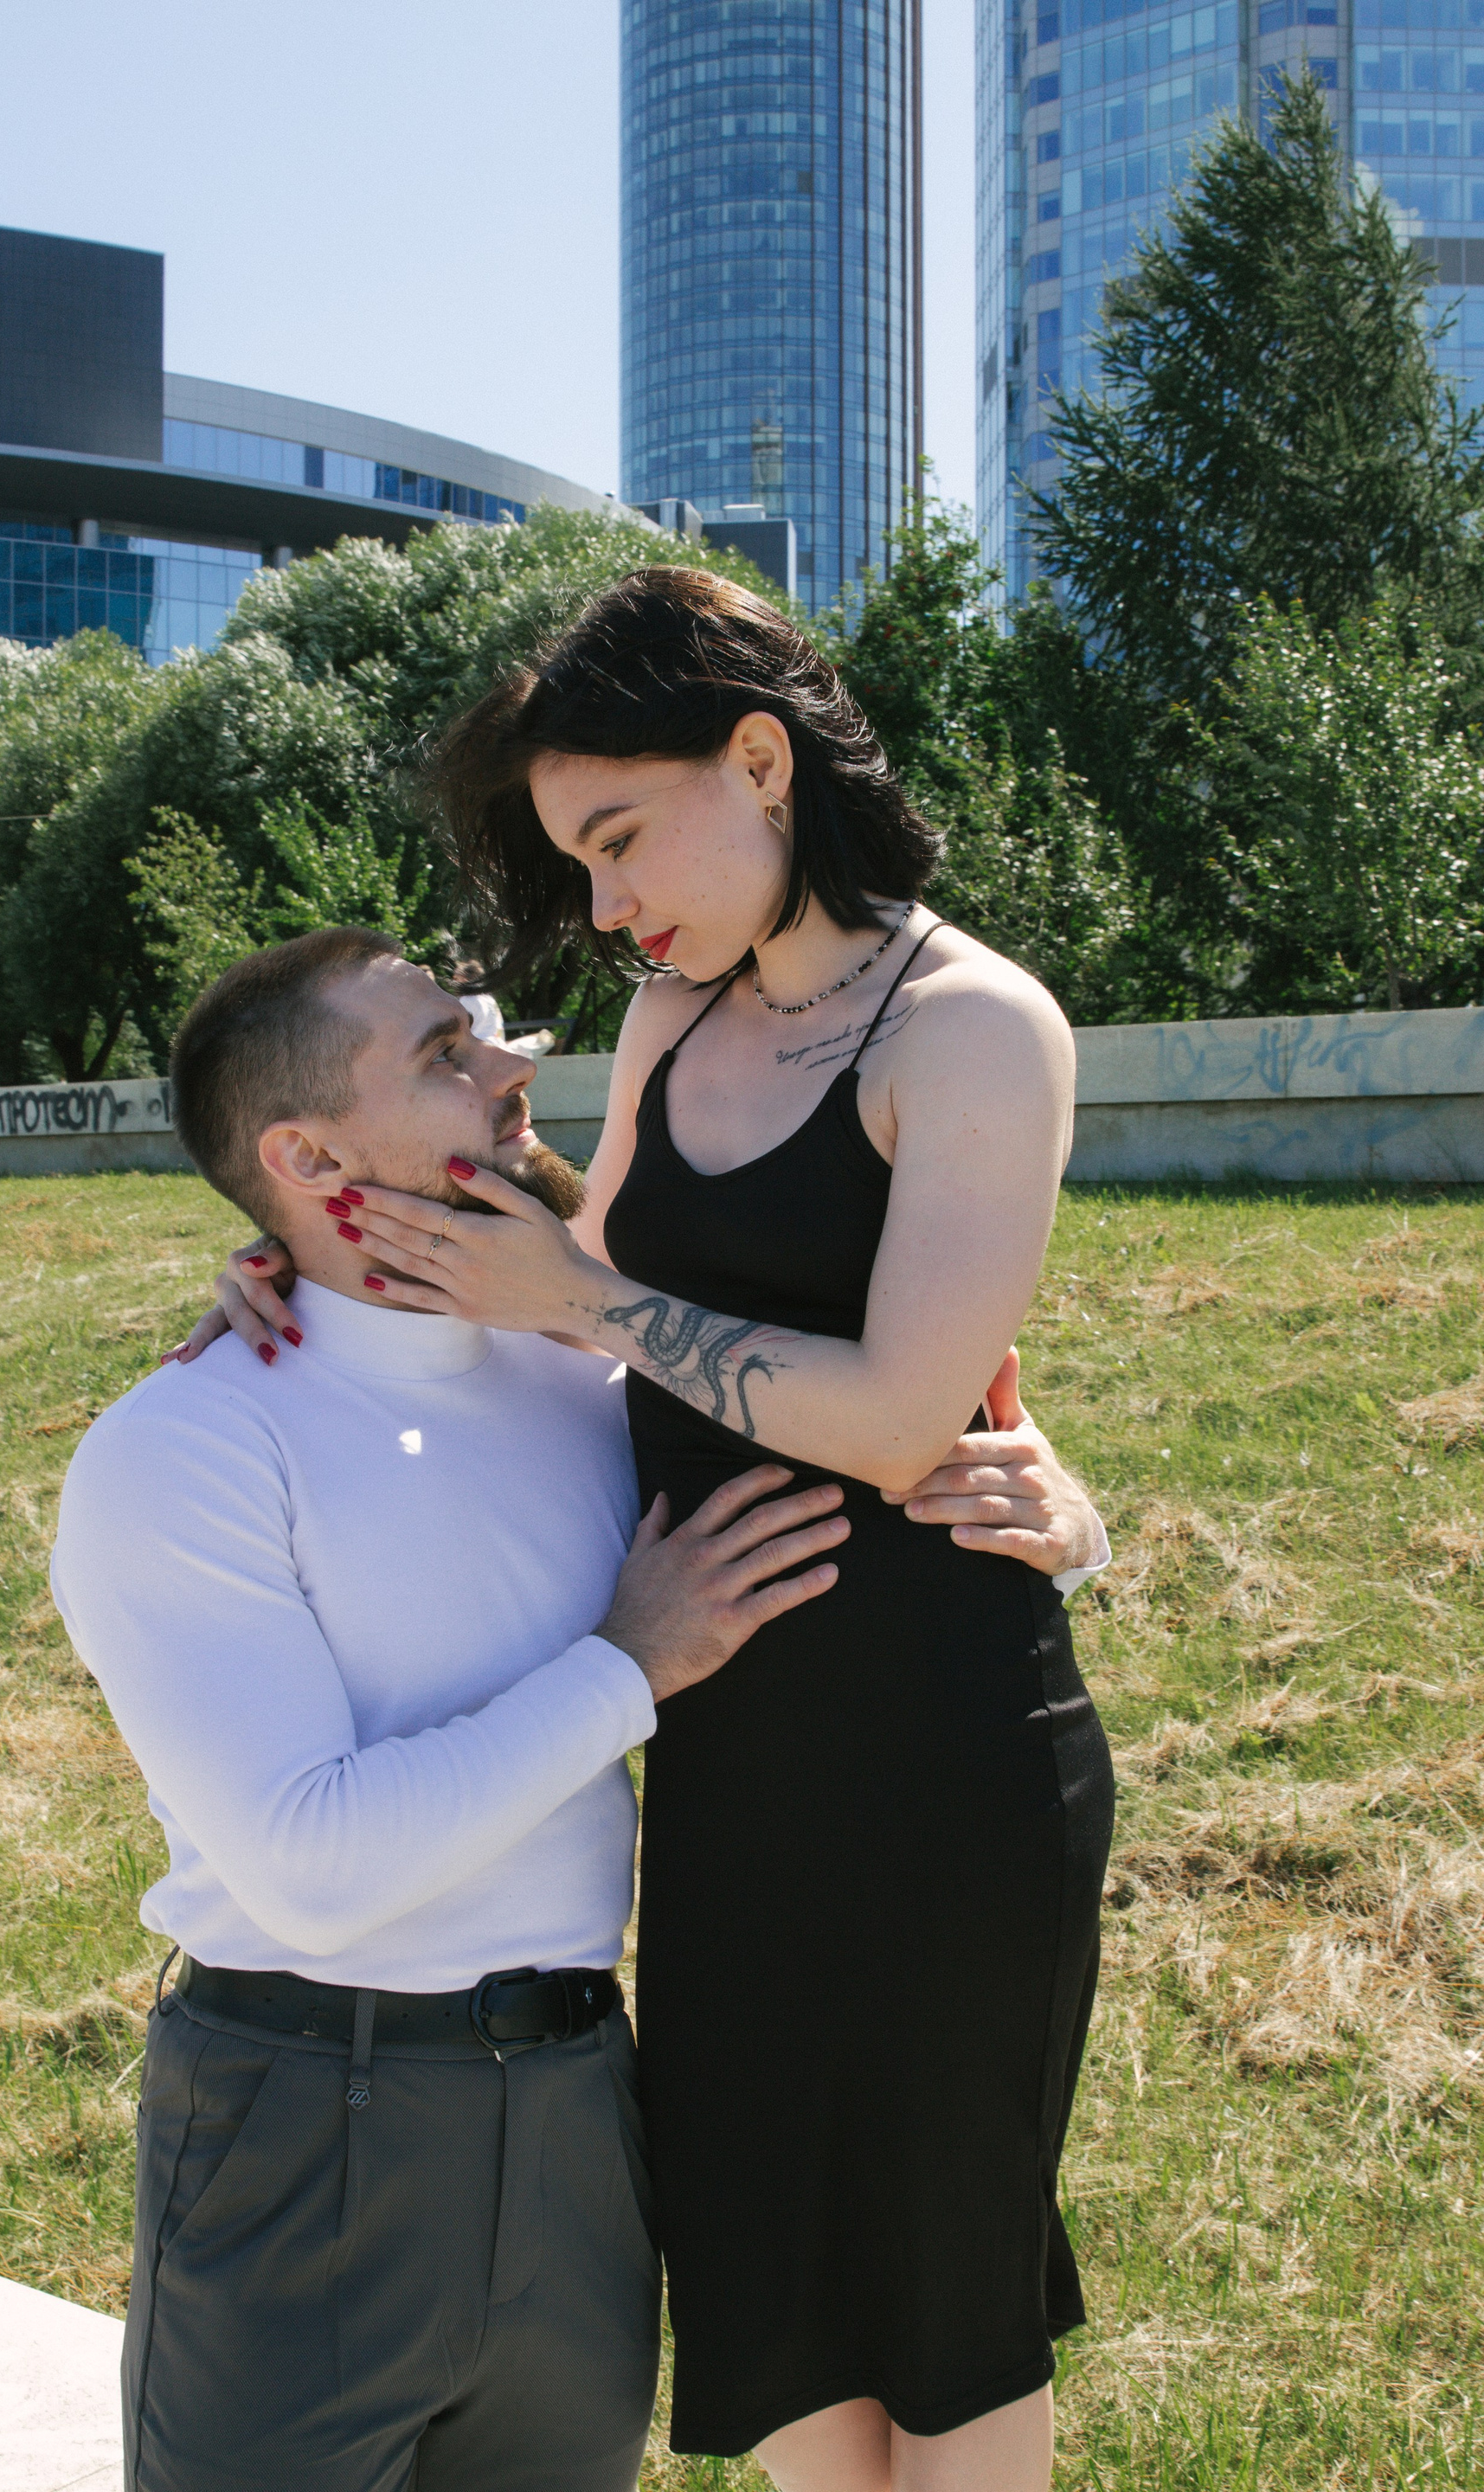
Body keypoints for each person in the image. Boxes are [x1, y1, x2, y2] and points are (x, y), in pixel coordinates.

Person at [209, 570, 1120, 2491]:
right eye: (580, 863)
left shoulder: (974, 1028)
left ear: (762, 761)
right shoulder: (673, 1013)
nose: (609, 905)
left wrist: (585, 1300)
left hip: (941, 1751)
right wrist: (325, 1250)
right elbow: (593, 1268)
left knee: (941, 2295)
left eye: (621, 839)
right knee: (766, 2280)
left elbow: (889, 1410)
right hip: (719, 1746)